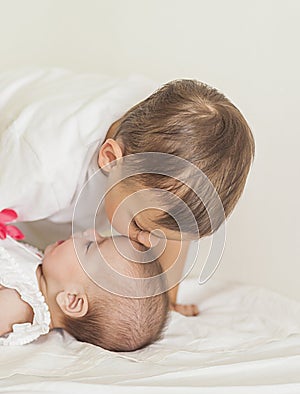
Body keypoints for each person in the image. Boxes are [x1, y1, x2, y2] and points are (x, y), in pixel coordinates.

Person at [0, 69, 255, 315]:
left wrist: (166, 302)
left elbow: (173, 228)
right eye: (141, 227)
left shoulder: (154, 141)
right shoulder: (42, 167)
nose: (147, 242)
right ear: (110, 159)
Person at [0, 230, 169, 351]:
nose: (91, 231)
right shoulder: (40, 271)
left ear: (72, 300)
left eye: (90, 246)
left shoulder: (19, 305)